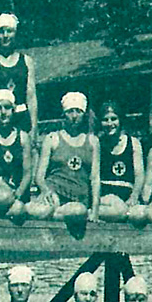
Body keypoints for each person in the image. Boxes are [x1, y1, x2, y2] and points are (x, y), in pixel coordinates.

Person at [33, 92, 100, 221]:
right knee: (41, 210)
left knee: (77, 211)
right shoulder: (52, 138)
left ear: (84, 114)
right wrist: (46, 191)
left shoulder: (92, 141)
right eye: (70, 112)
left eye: (78, 112)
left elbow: (95, 178)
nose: (74, 116)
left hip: (78, 198)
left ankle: (57, 215)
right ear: (64, 114)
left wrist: (95, 209)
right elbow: (39, 176)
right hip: (55, 192)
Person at [97, 102, 144, 221]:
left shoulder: (133, 143)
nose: (109, 124)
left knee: (140, 214)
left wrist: (134, 196)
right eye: (105, 120)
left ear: (120, 120)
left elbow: (139, 176)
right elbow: (94, 176)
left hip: (127, 194)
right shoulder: (98, 144)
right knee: (119, 211)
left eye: (113, 119)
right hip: (106, 196)